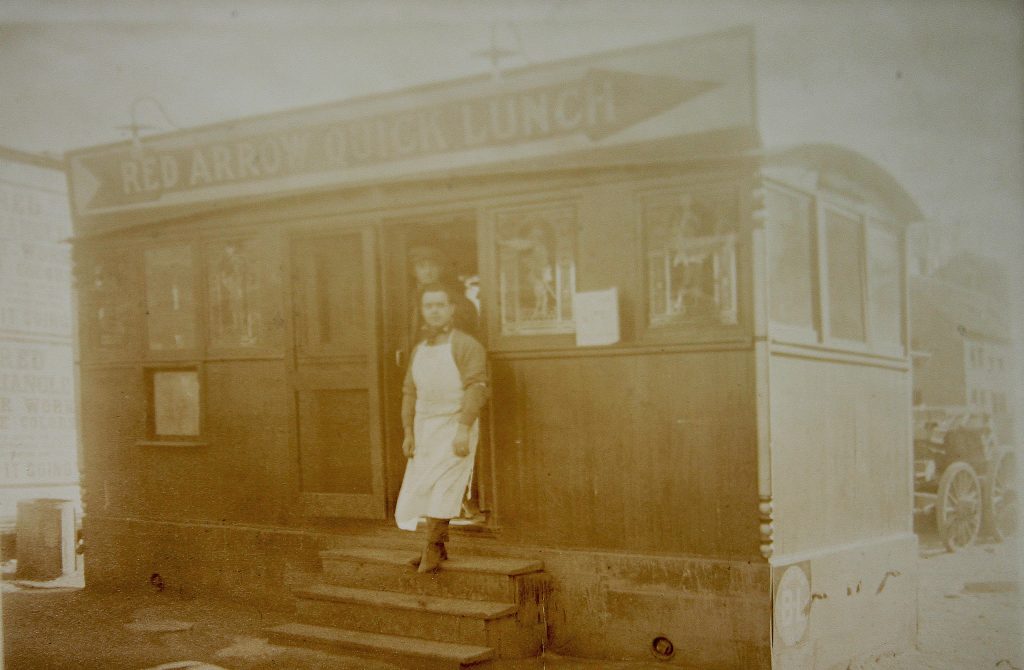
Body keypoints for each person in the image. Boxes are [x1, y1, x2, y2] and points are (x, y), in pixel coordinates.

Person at [394, 282, 489, 573]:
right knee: (425, 486)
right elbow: (410, 391)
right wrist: (409, 432)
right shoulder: (420, 349)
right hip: (425, 427)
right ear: (422, 311)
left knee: (446, 485)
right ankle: (437, 547)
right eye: (428, 306)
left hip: (455, 424)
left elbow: (477, 387)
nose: (433, 311)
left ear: (451, 309)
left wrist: (463, 428)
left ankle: (432, 548)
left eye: (439, 305)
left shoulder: (466, 345)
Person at [408, 245, 479, 342]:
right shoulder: (406, 301)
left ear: (441, 269)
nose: (428, 271)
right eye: (422, 266)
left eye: (433, 266)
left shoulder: (458, 301)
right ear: (413, 271)